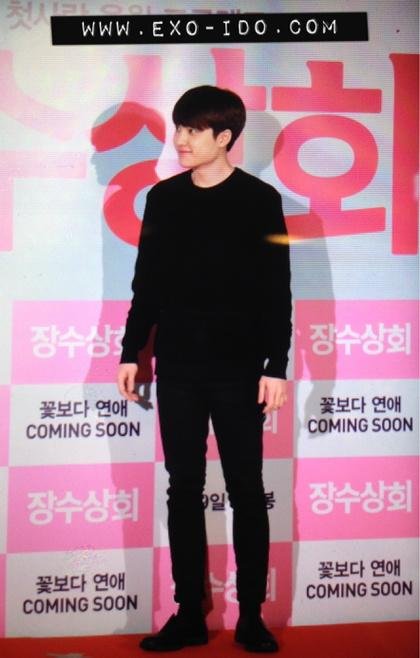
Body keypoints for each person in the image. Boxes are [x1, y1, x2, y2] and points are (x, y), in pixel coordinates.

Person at [117, 85, 292, 653]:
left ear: (225, 137)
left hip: (240, 370)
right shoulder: (163, 199)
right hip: (179, 369)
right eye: (179, 128)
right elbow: (146, 282)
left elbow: (276, 289)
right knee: (183, 488)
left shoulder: (260, 200)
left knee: (247, 489)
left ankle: (251, 617)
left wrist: (276, 365)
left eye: (193, 130)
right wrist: (130, 350)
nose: (181, 140)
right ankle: (189, 613)